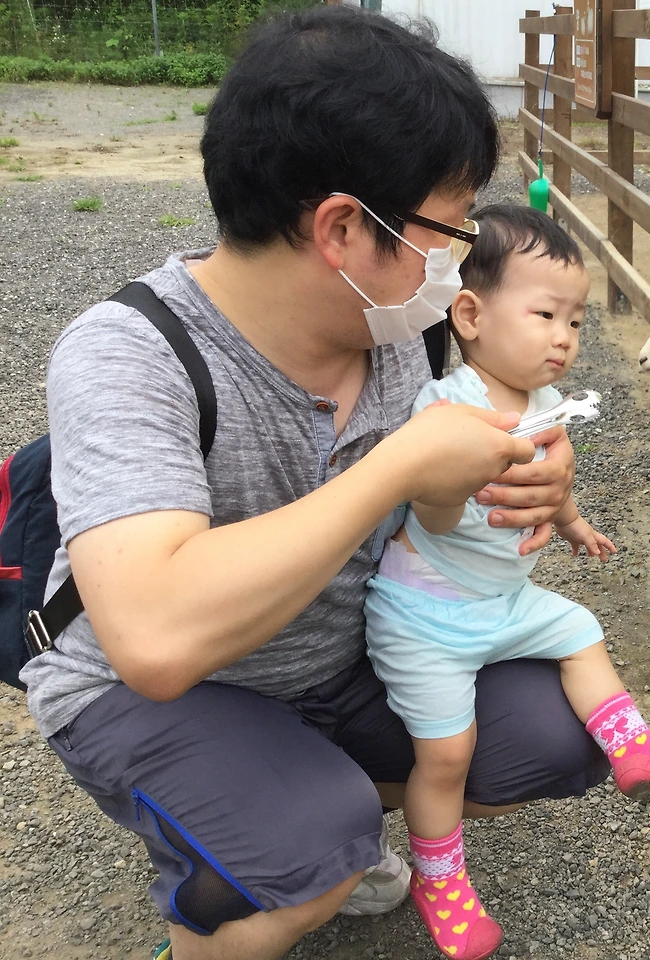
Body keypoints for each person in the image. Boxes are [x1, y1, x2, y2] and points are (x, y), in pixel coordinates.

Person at [19, 8, 614, 960]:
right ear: (342, 226)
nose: (460, 256)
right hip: (161, 690)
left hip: (343, 654)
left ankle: (300, 806)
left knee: (557, 735)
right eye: (448, 228)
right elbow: (154, 642)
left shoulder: (401, 328)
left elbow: (470, 459)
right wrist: (399, 466)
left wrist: (536, 469)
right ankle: (244, 864)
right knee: (312, 847)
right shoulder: (131, 352)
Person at [363, 205, 650, 960]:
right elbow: (430, 512)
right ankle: (439, 878)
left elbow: (553, 481)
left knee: (580, 628)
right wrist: (451, 482)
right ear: (470, 316)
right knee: (447, 755)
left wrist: (573, 520)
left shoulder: (547, 405)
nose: (565, 337)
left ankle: (633, 747)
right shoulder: (446, 406)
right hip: (426, 615)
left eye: (576, 322)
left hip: (503, 600)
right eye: (546, 315)